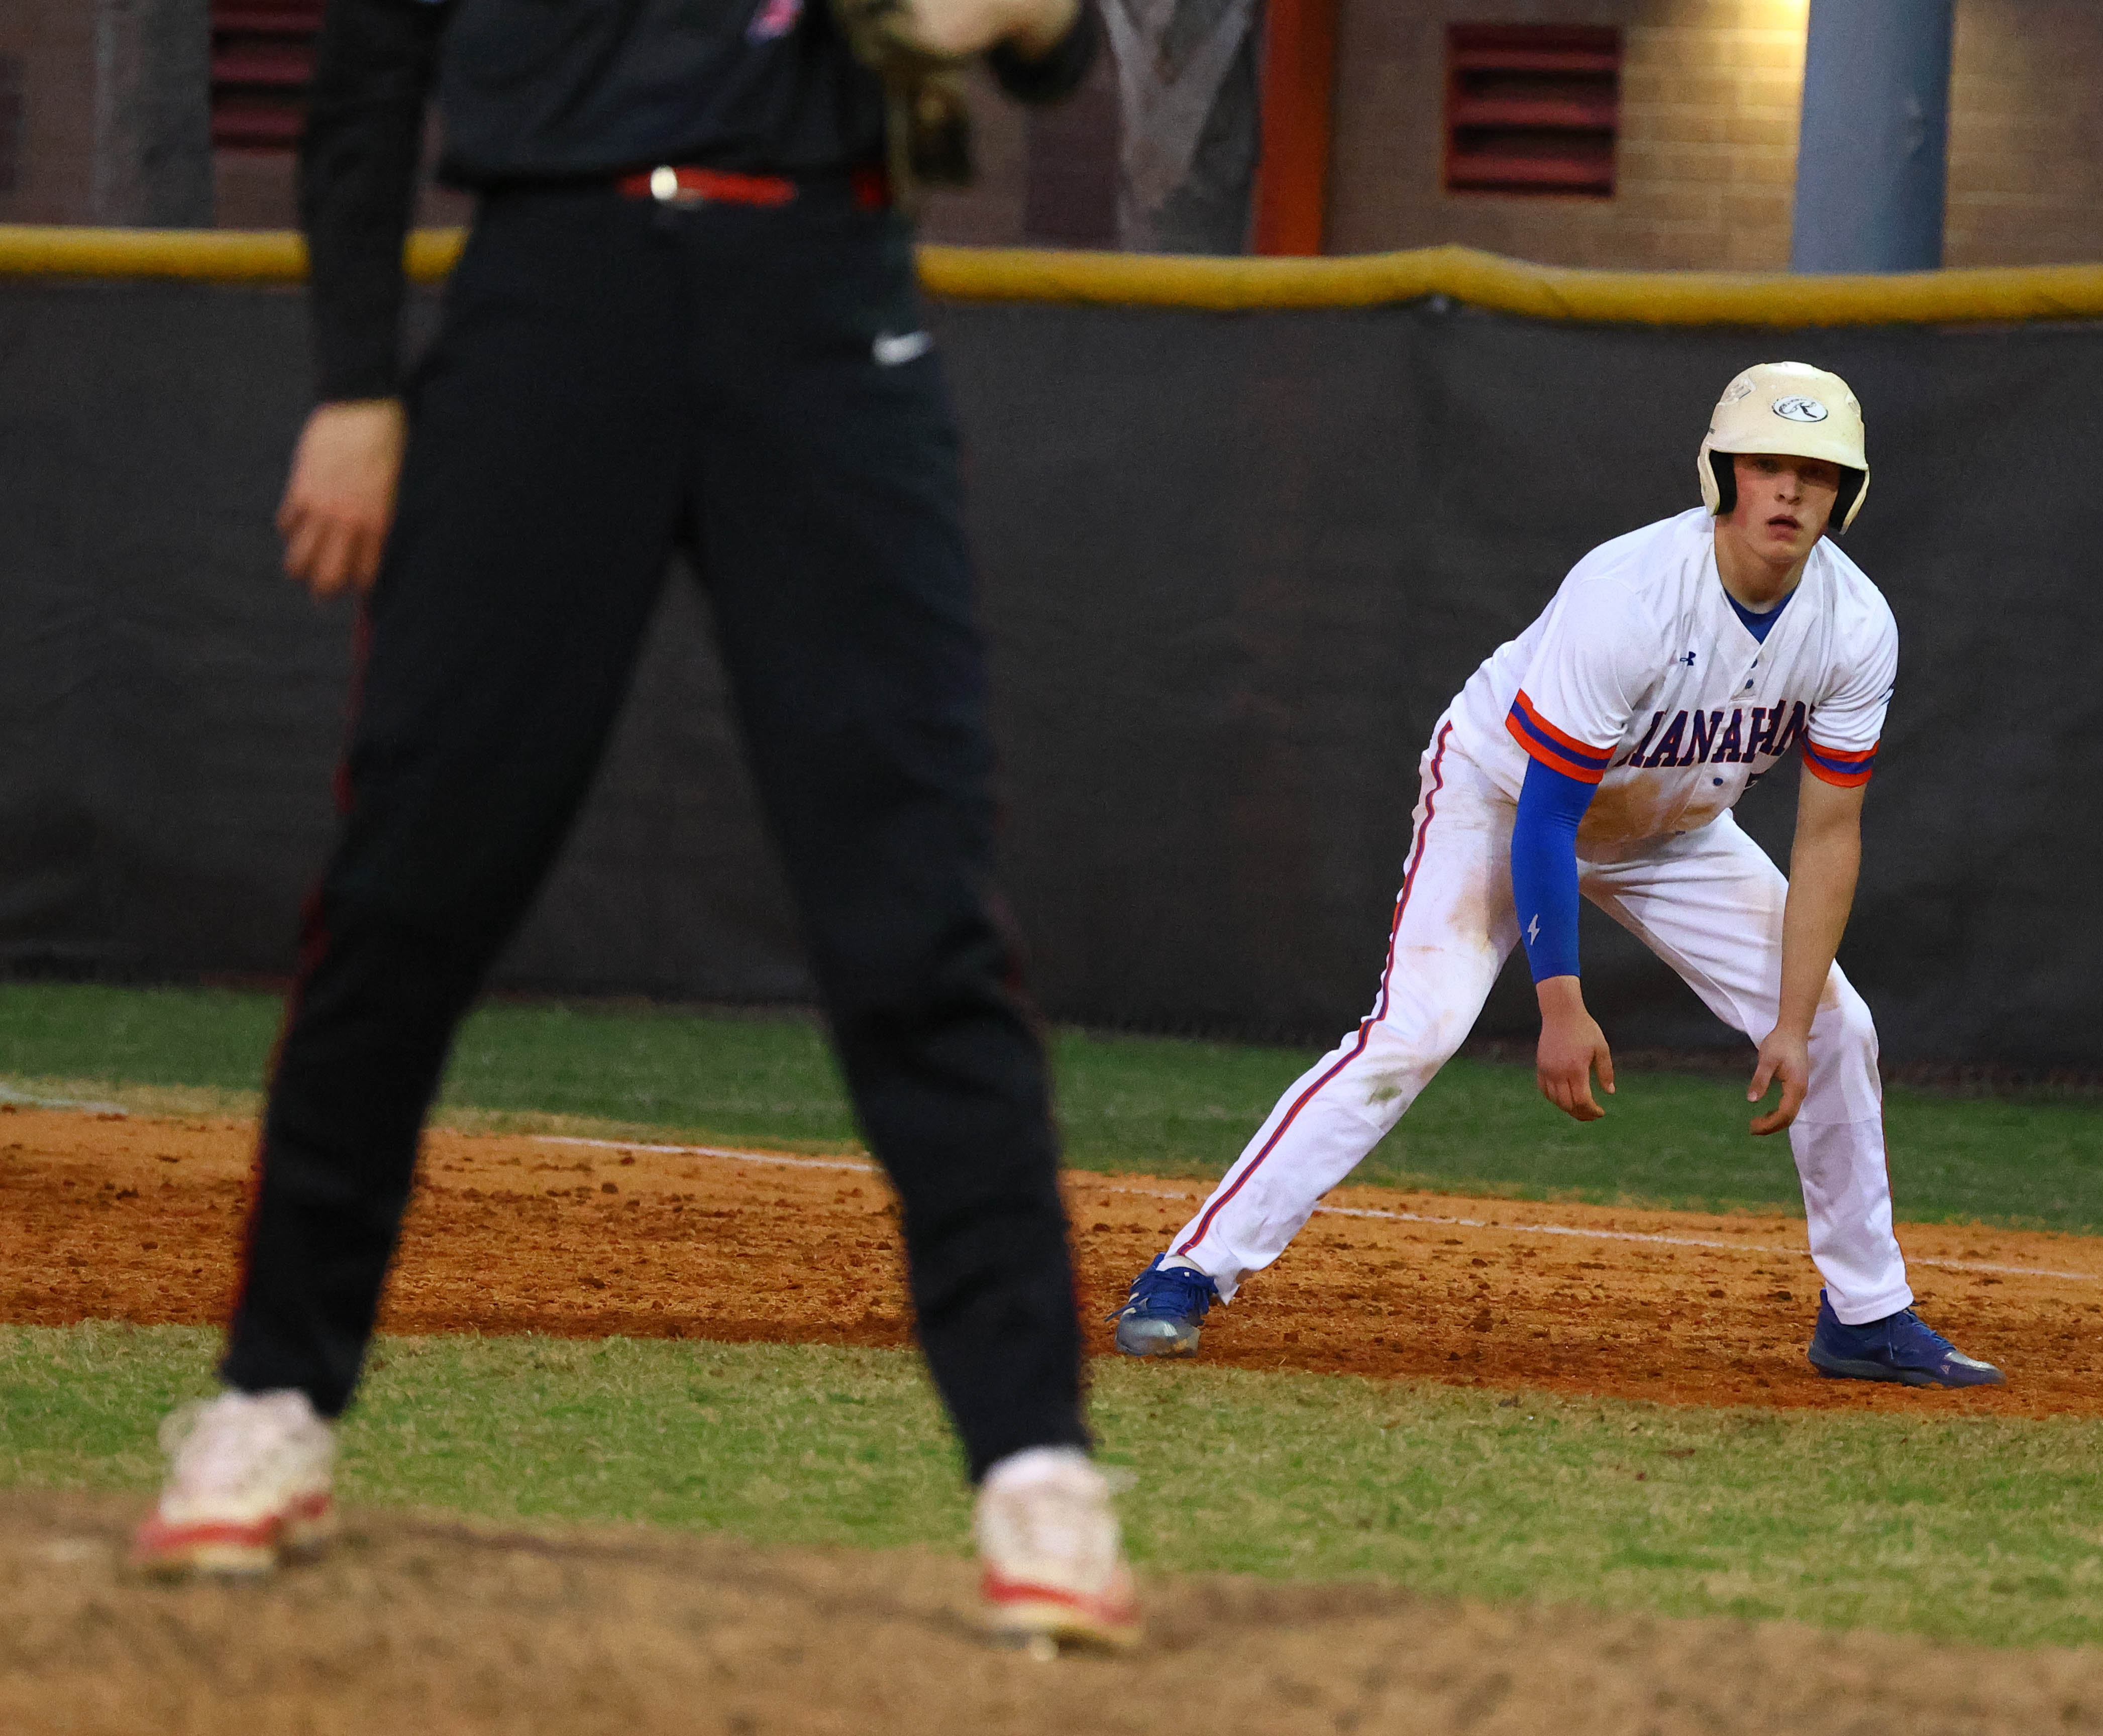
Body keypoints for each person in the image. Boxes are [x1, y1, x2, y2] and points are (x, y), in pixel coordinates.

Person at [127, 0, 1140, 1651]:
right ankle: (271, 1400)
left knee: (916, 905)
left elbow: (1046, 47)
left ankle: (1038, 1463)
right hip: (548, 291)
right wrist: (353, 379)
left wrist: (1026, 16)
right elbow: (369, 75)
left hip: (819, 291)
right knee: (402, 893)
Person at [1112, 363, 2004, 1392]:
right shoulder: (1631, 592)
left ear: (1846, 496)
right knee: (1417, 1031)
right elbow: (1548, 814)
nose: (1790, 492)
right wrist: (1562, 1001)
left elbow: (1830, 834)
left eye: (1817, 472)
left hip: (1675, 827)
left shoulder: (1855, 625)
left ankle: (1866, 1313)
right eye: (1769, 465)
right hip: (1505, 796)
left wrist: (1792, 1021)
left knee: (1844, 1029)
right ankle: (1188, 1270)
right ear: (1724, 474)